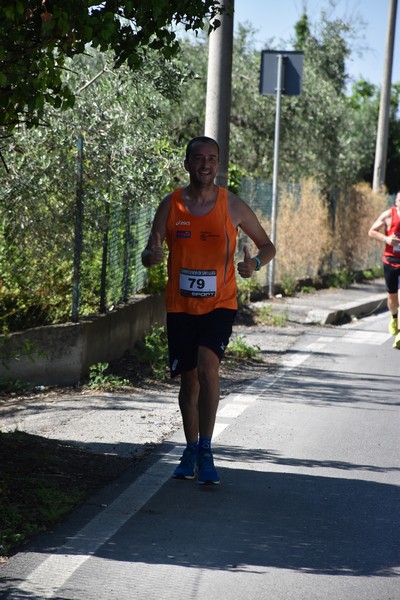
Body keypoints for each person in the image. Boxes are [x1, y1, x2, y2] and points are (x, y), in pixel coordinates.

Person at [141, 136, 276, 484]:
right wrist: (151, 256)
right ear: (187, 164)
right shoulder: (171, 205)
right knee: (188, 379)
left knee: (207, 367)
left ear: (218, 165)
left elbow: (267, 245)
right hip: (180, 305)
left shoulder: (231, 205)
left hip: (220, 303)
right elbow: (150, 250)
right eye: (198, 158)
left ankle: (206, 448)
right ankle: (189, 449)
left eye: (212, 158)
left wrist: (254, 265)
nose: (205, 164)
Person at [368, 191, 400, 349]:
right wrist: (386, 239)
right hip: (390, 261)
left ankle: (399, 334)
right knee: (392, 300)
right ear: (397, 201)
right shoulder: (388, 215)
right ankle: (394, 317)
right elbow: (372, 231)